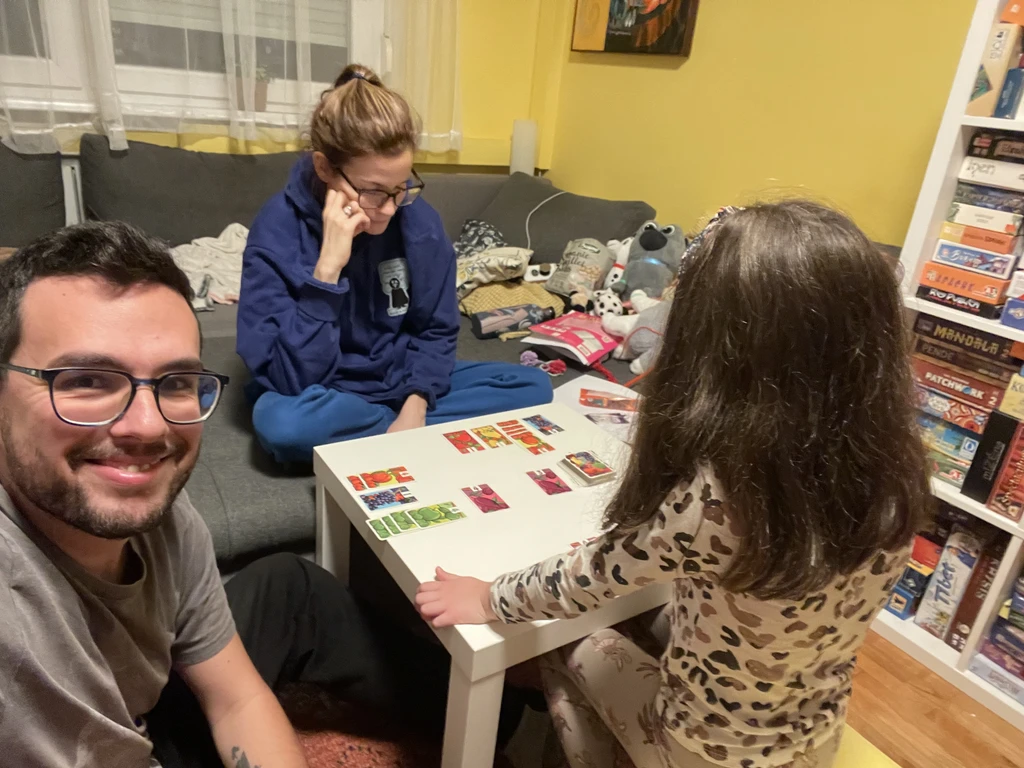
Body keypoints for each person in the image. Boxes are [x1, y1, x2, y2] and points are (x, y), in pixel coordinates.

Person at [414, 201, 930, 768]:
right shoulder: (898, 467)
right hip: (815, 733)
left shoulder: (721, 499)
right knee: (647, 616)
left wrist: (487, 597)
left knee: (562, 642)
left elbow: (582, 581)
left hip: (703, 750)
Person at [0, 222, 527, 768]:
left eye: (175, 383)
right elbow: (291, 372)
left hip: (144, 707)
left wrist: (413, 394)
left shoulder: (161, 512)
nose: (148, 427)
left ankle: (497, 711)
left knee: (289, 585)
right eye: (85, 380)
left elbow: (238, 700)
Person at [237, 64, 553, 464]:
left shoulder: (419, 222)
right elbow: (288, 378)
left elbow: (436, 330)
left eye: (401, 187)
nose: (389, 208)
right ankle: (407, 431)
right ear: (324, 168)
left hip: (402, 380)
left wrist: (416, 404)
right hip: (323, 390)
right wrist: (326, 273)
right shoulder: (276, 230)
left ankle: (386, 430)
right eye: (372, 191)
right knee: (282, 426)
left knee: (533, 386)